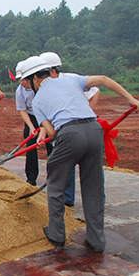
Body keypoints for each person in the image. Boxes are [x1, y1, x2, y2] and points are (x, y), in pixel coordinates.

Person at [22, 56, 139, 253]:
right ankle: (96, 240)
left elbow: (51, 133)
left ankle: (57, 234)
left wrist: (56, 137)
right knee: (93, 188)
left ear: (36, 78)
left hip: (69, 135)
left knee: (55, 185)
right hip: (94, 131)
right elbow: (103, 79)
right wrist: (130, 99)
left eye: (28, 82)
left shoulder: (38, 100)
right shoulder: (70, 79)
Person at [40, 52, 100, 206]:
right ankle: (67, 199)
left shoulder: (70, 79)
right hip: (64, 130)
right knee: (65, 166)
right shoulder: (47, 87)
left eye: (43, 74)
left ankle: (95, 204)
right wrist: (43, 131)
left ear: (53, 71)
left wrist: (87, 113)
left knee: (90, 171)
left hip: (81, 129)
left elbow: (96, 91)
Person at [14, 60, 53, 186]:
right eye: (19, 80)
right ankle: (31, 177)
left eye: (24, 79)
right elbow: (23, 111)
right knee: (30, 146)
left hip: (47, 117)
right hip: (31, 118)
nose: (22, 82)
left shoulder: (41, 87)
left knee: (51, 145)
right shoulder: (20, 91)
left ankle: (53, 176)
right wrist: (31, 127)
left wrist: (43, 127)